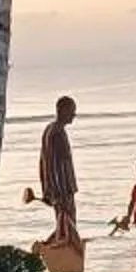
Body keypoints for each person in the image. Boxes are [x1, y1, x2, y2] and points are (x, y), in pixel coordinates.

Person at [29, 96, 81, 248]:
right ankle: (47, 250)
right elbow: (55, 164)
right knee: (68, 225)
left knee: (64, 224)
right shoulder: (56, 132)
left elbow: (44, 162)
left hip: (58, 188)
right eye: (72, 111)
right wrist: (58, 191)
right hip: (63, 189)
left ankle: (48, 250)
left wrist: (47, 189)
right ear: (63, 110)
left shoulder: (50, 129)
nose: (74, 115)